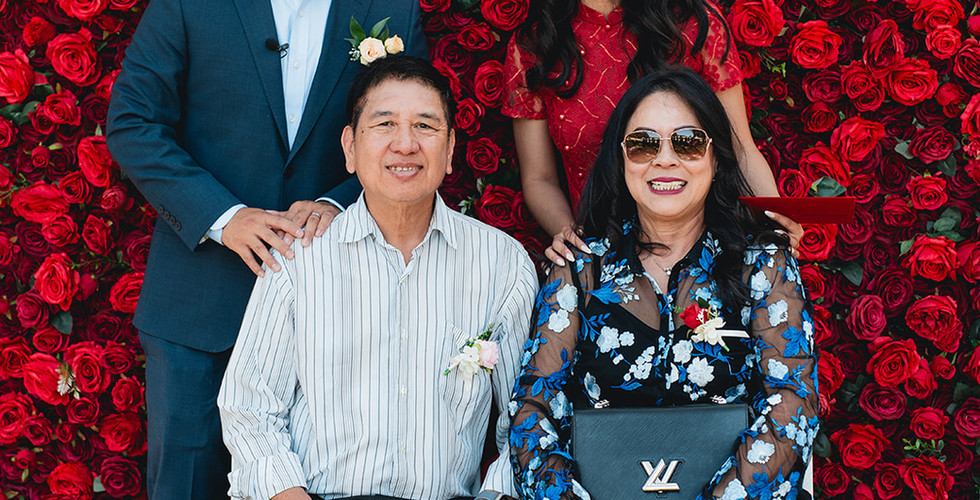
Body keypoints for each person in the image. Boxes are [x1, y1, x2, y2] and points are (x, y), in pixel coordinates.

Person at [105, 1, 426, 497]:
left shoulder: (390, 8)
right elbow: (134, 122)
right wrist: (225, 217)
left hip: (330, 307)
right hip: (200, 304)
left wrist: (336, 202)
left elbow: (413, 124)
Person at [218, 56, 538, 500]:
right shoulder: (299, 259)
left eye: (425, 126)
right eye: (384, 124)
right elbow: (249, 407)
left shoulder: (502, 263)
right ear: (350, 148)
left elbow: (527, 417)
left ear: (449, 151)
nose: (405, 144)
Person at [508, 66, 818, 500]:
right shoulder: (578, 269)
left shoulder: (762, 266)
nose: (665, 159)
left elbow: (791, 404)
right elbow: (533, 409)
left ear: (715, 156)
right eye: (643, 144)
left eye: (688, 143)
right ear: (621, 158)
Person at [503, 0, 798, 266]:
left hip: (705, 247)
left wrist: (773, 224)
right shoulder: (536, 43)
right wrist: (573, 238)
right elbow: (538, 178)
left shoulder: (694, 21)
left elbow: (739, 147)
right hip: (602, 253)